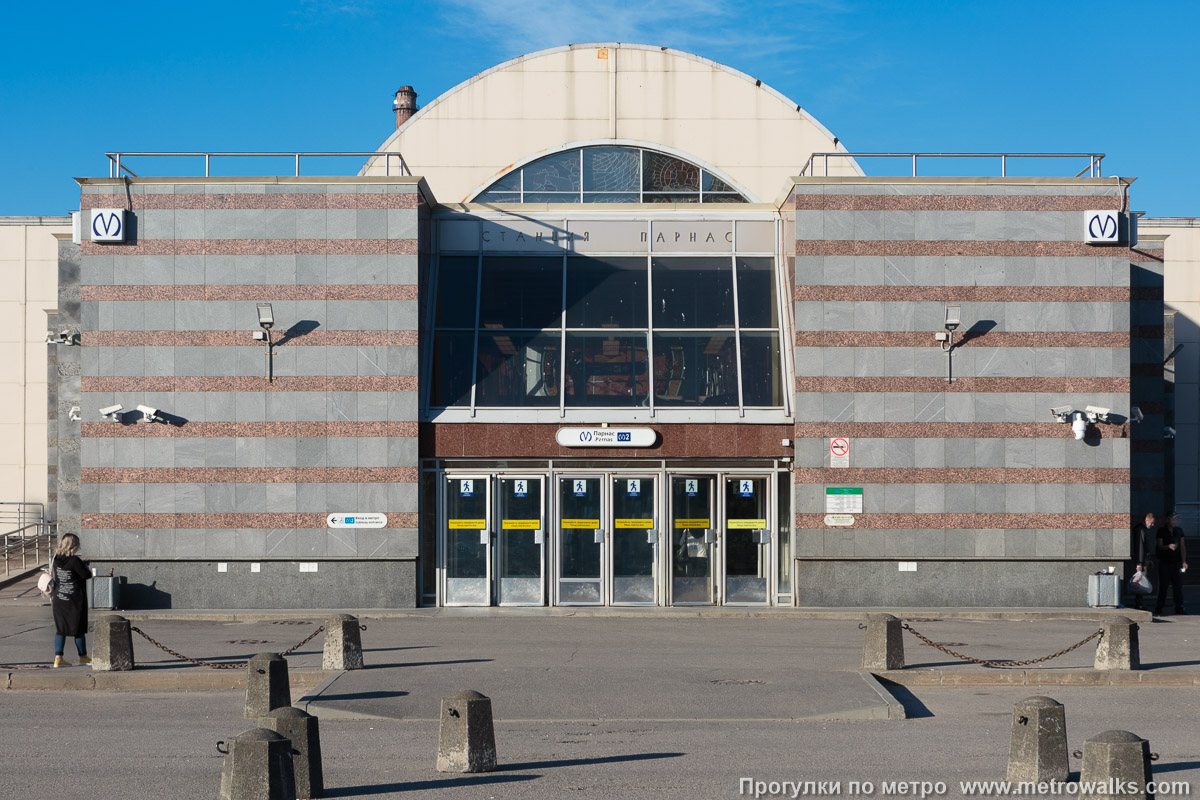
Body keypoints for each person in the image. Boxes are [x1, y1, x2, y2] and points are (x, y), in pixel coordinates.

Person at [50, 533, 92, 667]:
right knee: (78, 629)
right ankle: (83, 657)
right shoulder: (75, 560)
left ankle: (58, 658)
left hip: (59, 598)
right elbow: (86, 575)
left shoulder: (56, 558)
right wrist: (85, 565)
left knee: (61, 629)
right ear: (73, 545)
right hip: (74, 600)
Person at [1154, 512, 1189, 616]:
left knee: (1177, 586)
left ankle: (1179, 607)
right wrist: (1168, 546)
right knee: (1163, 586)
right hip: (1165, 562)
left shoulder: (1179, 531)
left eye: (1176, 519)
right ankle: (1159, 607)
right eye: (1173, 519)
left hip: (1177, 562)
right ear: (1168, 520)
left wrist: (1184, 561)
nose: (1175, 521)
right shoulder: (1161, 531)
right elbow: (1159, 545)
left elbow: (1182, 546)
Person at [1128, 512, 1156, 609]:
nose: (1152, 525)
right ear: (1146, 520)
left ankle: (1140, 602)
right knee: (1140, 582)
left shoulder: (1142, 530)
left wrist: (1149, 559)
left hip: (1144, 560)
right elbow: (1139, 547)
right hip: (1141, 561)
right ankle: (1139, 603)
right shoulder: (1140, 530)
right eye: (1152, 523)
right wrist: (1139, 563)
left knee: (1141, 581)